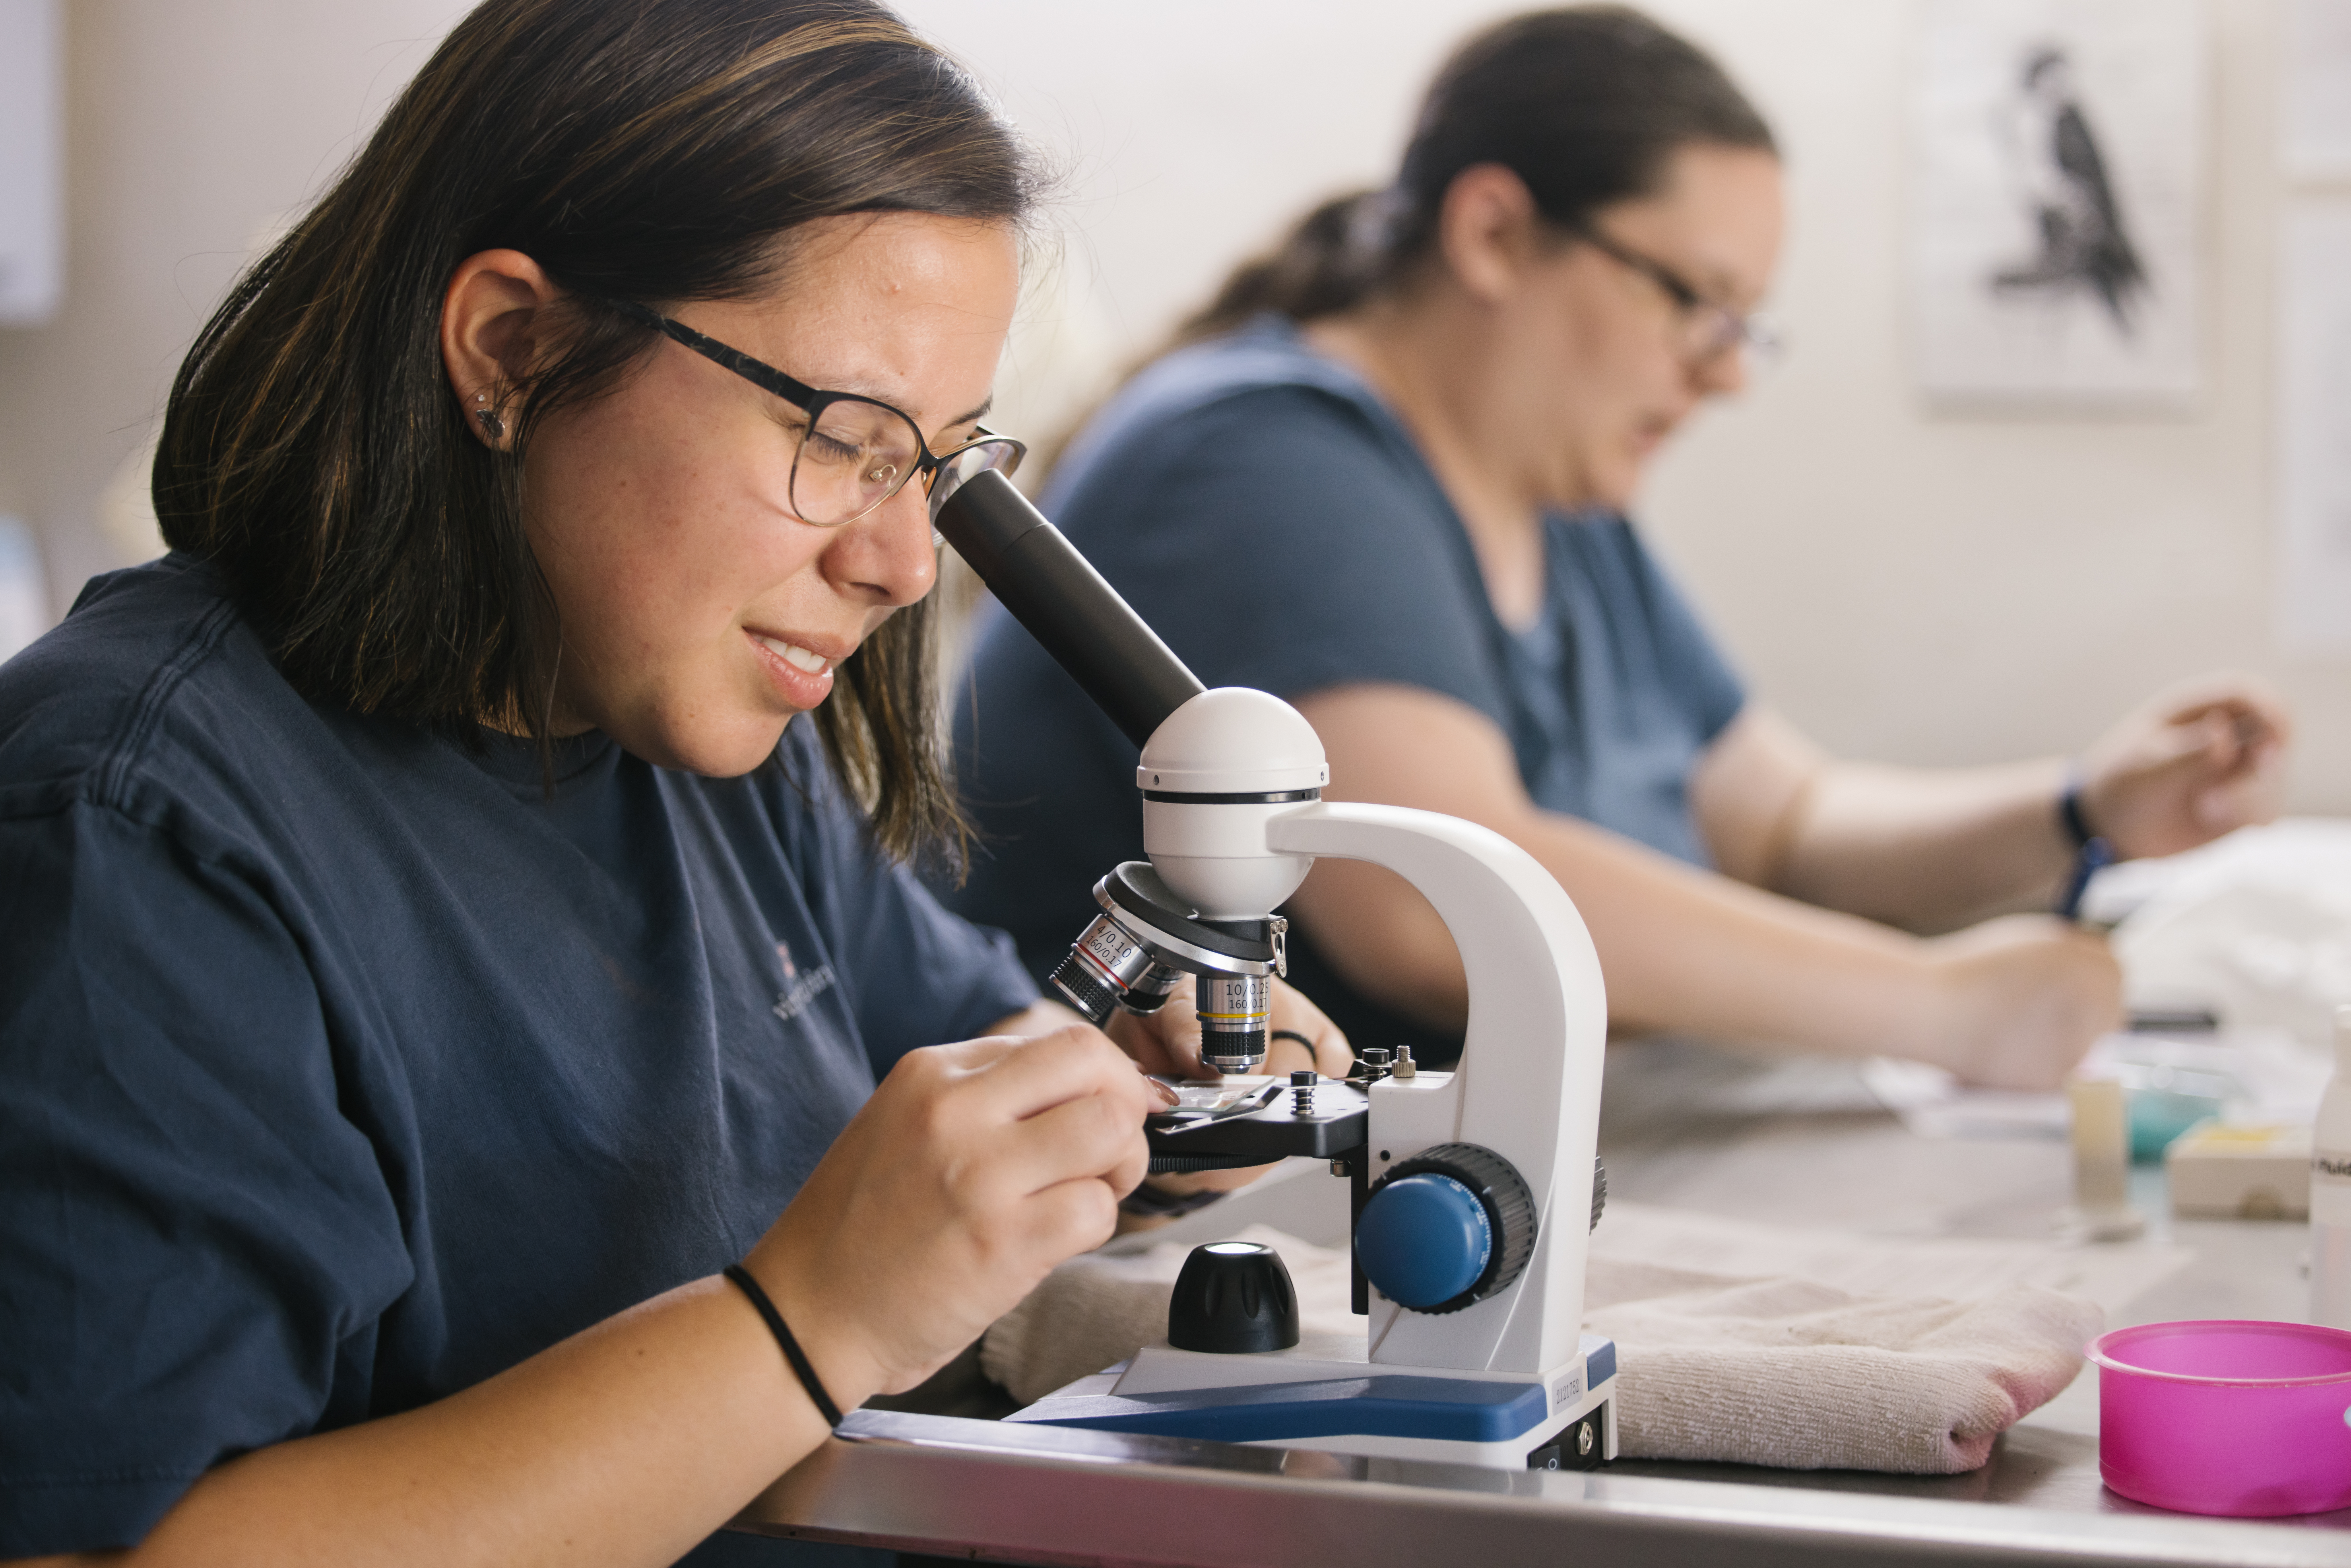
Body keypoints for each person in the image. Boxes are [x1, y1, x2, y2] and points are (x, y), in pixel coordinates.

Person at [0, 4, 1344, 1565]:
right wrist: (803, 1322)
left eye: (943, 464)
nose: (904, 563)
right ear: (514, 349)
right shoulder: (137, 830)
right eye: (844, 437)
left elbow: (972, 1086)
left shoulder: (690, 728)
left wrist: (1143, 1107)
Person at [946, 5, 2288, 1091]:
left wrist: (2076, 807)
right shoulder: (1260, 460)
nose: (1722, 374)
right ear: (1492, 234)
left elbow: (1782, 821)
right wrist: (1944, 1008)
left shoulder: (1560, 506)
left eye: (1741, 324)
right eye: (1696, 303)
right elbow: (1434, 909)